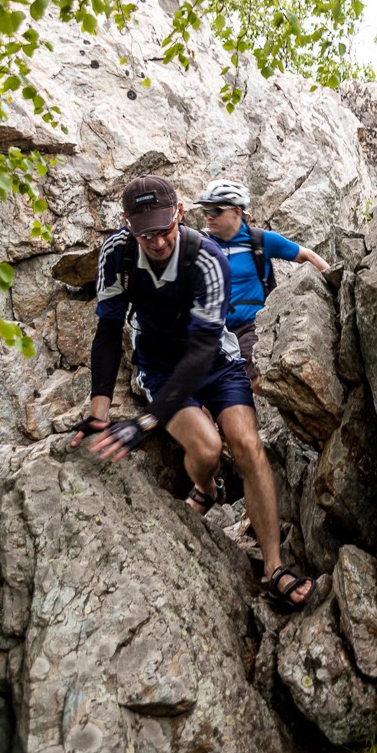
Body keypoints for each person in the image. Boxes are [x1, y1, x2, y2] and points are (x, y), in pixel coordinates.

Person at [70, 174, 315, 609]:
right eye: (146, 233)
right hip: (160, 367)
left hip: (215, 360)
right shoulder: (118, 253)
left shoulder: (207, 258)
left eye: (164, 229)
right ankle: (206, 488)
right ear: (128, 225)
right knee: (204, 450)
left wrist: (144, 423)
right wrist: (99, 415)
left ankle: (273, 565)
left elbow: (203, 349)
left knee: (246, 443)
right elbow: (107, 332)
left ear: (180, 215)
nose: (158, 241)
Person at [195, 180, 330, 394]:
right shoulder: (200, 244)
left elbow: (306, 255)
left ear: (237, 211)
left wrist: (336, 285)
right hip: (211, 330)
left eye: (216, 209)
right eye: (206, 210)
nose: (209, 215)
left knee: (257, 382)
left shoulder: (258, 240)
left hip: (249, 327)